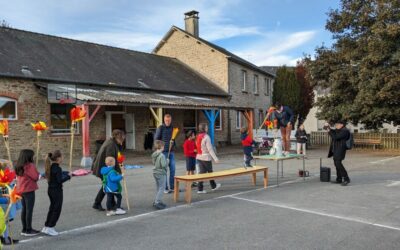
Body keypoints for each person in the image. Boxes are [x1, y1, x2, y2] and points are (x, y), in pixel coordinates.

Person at [92, 129, 125, 211]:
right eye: (122, 137)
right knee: (109, 186)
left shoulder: (113, 142)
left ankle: (98, 203)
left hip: (104, 167)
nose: (123, 139)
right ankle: (111, 205)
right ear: (117, 137)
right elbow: (110, 160)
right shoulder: (111, 144)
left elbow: (117, 156)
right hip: (105, 168)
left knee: (106, 186)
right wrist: (116, 172)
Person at [41, 150, 71, 236]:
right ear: (58, 158)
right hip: (56, 191)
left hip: (50, 190)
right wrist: (69, 176)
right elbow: (59, 180)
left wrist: (65, 173)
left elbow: (58, 174)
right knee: (56, 209)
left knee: (52, 208)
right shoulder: (57, 168)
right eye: (62, 156)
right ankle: (50, 227)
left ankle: (46, 226)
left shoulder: (51, 166)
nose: (63, 158)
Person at [15, 149, 40, 236]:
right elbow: (35, 177)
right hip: (29, 190)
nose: (33, 157)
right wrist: (37, 171)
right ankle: (28, 229)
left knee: (24, 210)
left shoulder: (19, 165)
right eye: (32, 155)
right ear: (28, 156)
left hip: (21, 190)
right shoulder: (29, 165)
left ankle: (24, 229)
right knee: (29, 210)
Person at [196, 123, 221, 194]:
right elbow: (210, 149)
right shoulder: (206, 137)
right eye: (206, 127)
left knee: (202, 173)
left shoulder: (198, 136)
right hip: (206, 157)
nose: (207, 128)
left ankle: (200, 189)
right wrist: (215, 158)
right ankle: (213, 186)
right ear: (204, 129)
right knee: (210, 172)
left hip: (199, 157)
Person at [154, 114, 176, 193]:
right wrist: (160, 148)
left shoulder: (173, 128)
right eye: (166, 120)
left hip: (171, 151)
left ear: (171, 120)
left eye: (169, 120)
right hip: (163, 152)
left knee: (173, 169)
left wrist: (173, 143)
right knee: (164, 170)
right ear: (164, 120)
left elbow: (174, 138)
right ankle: (165, 188)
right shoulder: (160, 128)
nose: (168, 122)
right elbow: (156, 140)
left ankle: (172, 187)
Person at [325, 121, 351, 186]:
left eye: (337, 124)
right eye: (335, 124)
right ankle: (339, 179)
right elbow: (332, 131)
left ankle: (346, 178)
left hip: (340, 149)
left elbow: (335, 137)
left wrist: (329, 131)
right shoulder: (339, 130)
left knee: (338, 163)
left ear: (341, 125)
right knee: (336, 164)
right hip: (336, 149)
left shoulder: (345, 131)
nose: (336, 125)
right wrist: (327, 126)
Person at [151, 140, 168, 210]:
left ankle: (158, 200)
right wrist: (167, 161)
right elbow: (163, 165)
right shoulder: (162, 155)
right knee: (162, 188)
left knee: (158, 187)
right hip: (161, 173)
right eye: (163, 146)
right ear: (161, 147)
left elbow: (153, 163)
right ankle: (157, 201)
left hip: (155, 172)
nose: (164, 147)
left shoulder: (154, 154)